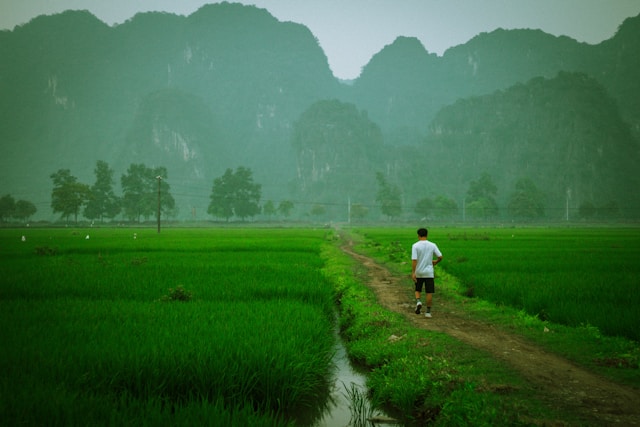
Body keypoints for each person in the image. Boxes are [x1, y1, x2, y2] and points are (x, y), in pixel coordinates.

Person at [411, 227, 443, 318]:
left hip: (419, 271)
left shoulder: (415, 246)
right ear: (427, 235)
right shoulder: (432, 245)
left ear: (418, 235)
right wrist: (435, 262)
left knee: (418, 289)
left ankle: (418, 302)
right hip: (429, 272)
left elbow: (414, 260)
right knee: (429, 292)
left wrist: (413, 272)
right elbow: (440, 256)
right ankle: (428, 312)